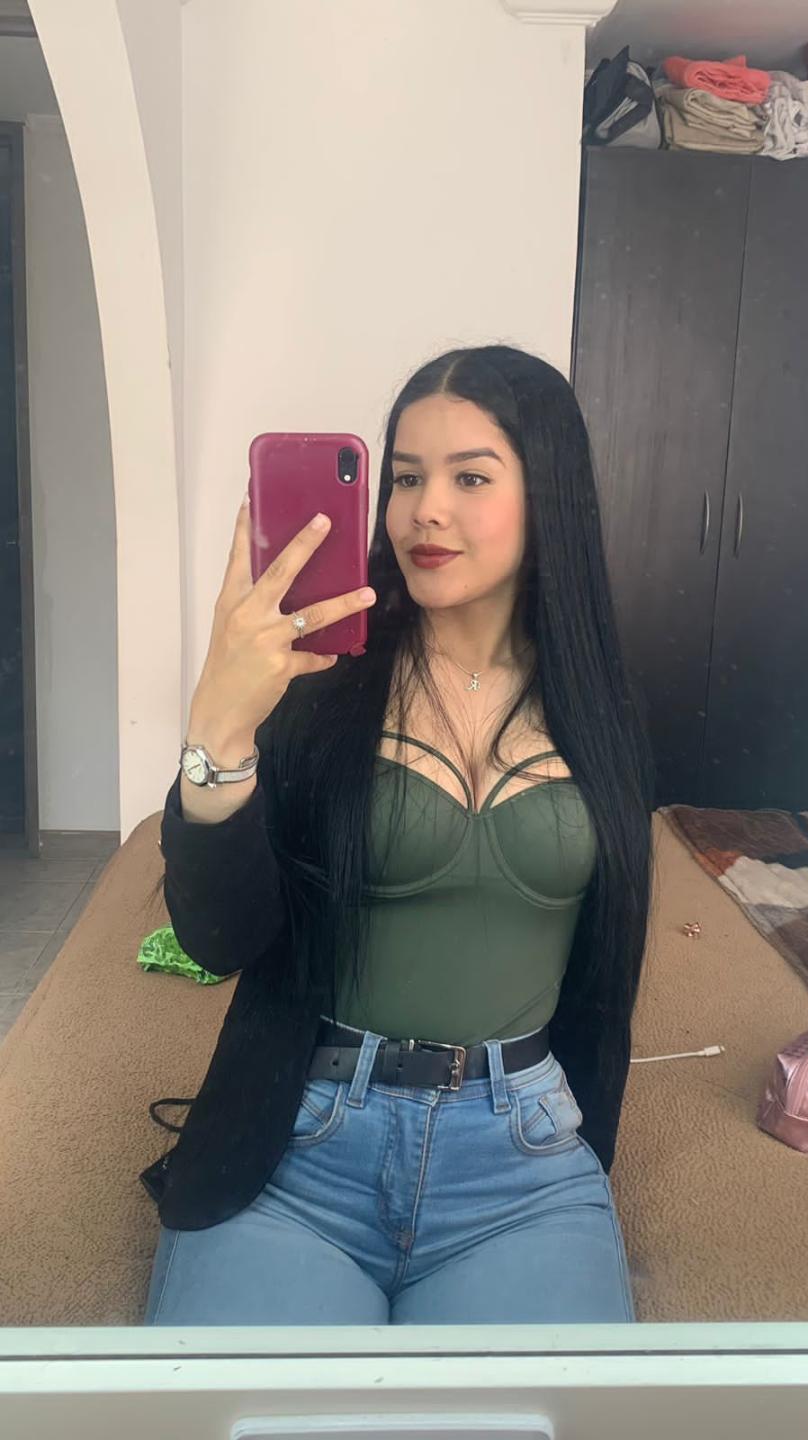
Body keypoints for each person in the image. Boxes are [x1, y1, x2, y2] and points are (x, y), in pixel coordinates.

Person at [141, 344, 654, 1327]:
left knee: (538, 1408)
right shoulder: (320, 685)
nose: (426, 510)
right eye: (407, 478)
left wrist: (586, 1144)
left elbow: (604, 968)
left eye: (470, 477)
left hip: (520, 1159)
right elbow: (218, 938)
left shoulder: (599, 704)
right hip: (299, 1146)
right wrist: (219, 732)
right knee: (259, 1407)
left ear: (548, 495)